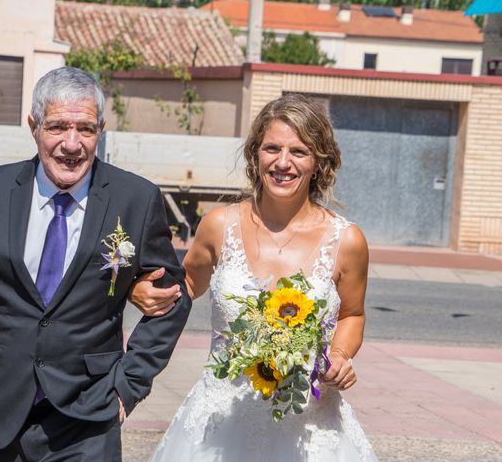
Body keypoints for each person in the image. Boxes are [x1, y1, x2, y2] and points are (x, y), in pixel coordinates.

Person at [0, 67, 191, 461]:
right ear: (33, 125)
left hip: (88, 419)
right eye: (57, 127)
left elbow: (173, 298)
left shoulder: (135, 199)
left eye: (85, 129)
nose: (72, 144)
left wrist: (130, 384)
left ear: (101, 130)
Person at [130, 93, 377, 461]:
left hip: (309, 422)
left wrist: (339, 355)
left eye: (299, 151)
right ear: (255, 154)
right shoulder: (218, 226)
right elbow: (185, 286)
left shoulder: (347, 240)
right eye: (272, 148)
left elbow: (352, 314)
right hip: (220, 419)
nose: (282, 163)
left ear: (318, 161)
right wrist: (138, 289)